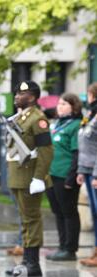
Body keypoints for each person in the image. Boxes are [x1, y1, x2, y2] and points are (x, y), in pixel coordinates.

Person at [5, 81, 53, 277]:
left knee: (32, 219)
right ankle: (26, 260)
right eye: (16, 93)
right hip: (18, 175)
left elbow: (46, 150)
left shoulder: (38, 119)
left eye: (22, 93)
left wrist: (39, 177)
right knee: (25, 220)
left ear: (32, 97)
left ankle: (33, 264)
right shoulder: (19, 117)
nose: (17, 96)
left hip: (30, 176)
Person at [46, 93, 82, 261]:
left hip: (65, 174)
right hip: (52, 174)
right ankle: (62, 245)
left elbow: (76, 153)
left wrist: (71, 175)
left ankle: (70, 248)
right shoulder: (57, 124)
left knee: (69, 212)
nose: (59, 106)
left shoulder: (75, 125)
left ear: (73, 107)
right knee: (58, 212)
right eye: (59, 104)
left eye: (64, 104)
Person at [77, 82, 97, 267]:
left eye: (89, 94)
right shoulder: (90, 115)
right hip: (88, 169)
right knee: (95, 212)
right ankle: (95, 252)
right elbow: (85, 146)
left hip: (96, 171)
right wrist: (82, 170)